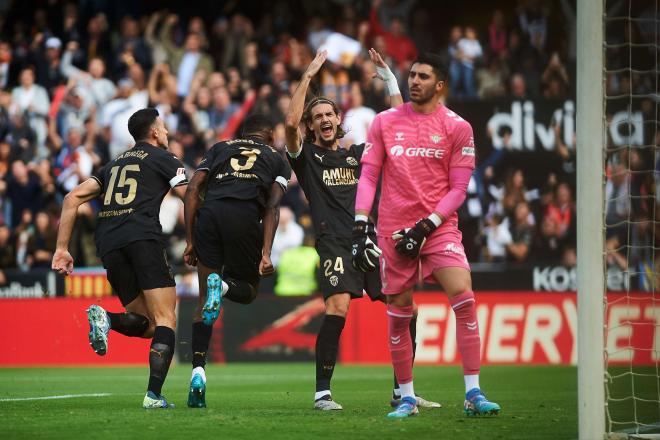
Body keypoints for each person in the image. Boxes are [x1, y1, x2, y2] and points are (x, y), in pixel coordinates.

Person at [285, 49, 440, 411]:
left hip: (369, 242)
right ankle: (322, 393)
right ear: (312, 125)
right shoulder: (307, 157)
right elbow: (290, 126)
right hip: (334, 243)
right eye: (317, 116)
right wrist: (307, 76)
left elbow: (400, 128)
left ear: (339, 119)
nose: (324, 119)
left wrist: (389, 80)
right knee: (337, 307)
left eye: (329, 114)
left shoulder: (359, 154)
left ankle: (403, 391)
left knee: (408, 310)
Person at [352, 52, 501, 418]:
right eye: (411, 74)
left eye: (422, 76)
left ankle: (473, 392)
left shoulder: (458, 127)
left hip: (437, 227)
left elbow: (459, 189)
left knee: (464, 295)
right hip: (392, 230)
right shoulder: (385, 122)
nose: (414, 80)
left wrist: (427, 225)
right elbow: (369, 175)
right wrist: (360, 223)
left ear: (440, 85)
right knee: (400, 311)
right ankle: (405, 396)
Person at [51, 108, 188, 409]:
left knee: (148, 324)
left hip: (109, 243)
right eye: (163, 127)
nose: (166, 133)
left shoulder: (112, 165)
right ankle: (153, 396)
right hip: (142, 237)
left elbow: (71, 198)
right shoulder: (166, 159)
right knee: (167, 319)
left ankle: (107, 319)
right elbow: (190, 197)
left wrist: (62, 248)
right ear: (154, 132)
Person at [182, 114, 291, 408]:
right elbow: (272, 205)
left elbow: (192, 190)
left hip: (210, 217)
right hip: (244, 218)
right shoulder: (277, 158)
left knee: (205, 299)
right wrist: (266, 252)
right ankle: (227, 288)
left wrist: (191, 240)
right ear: (269, 135)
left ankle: (198, 371)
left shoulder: (220, 147)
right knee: (249, 290)